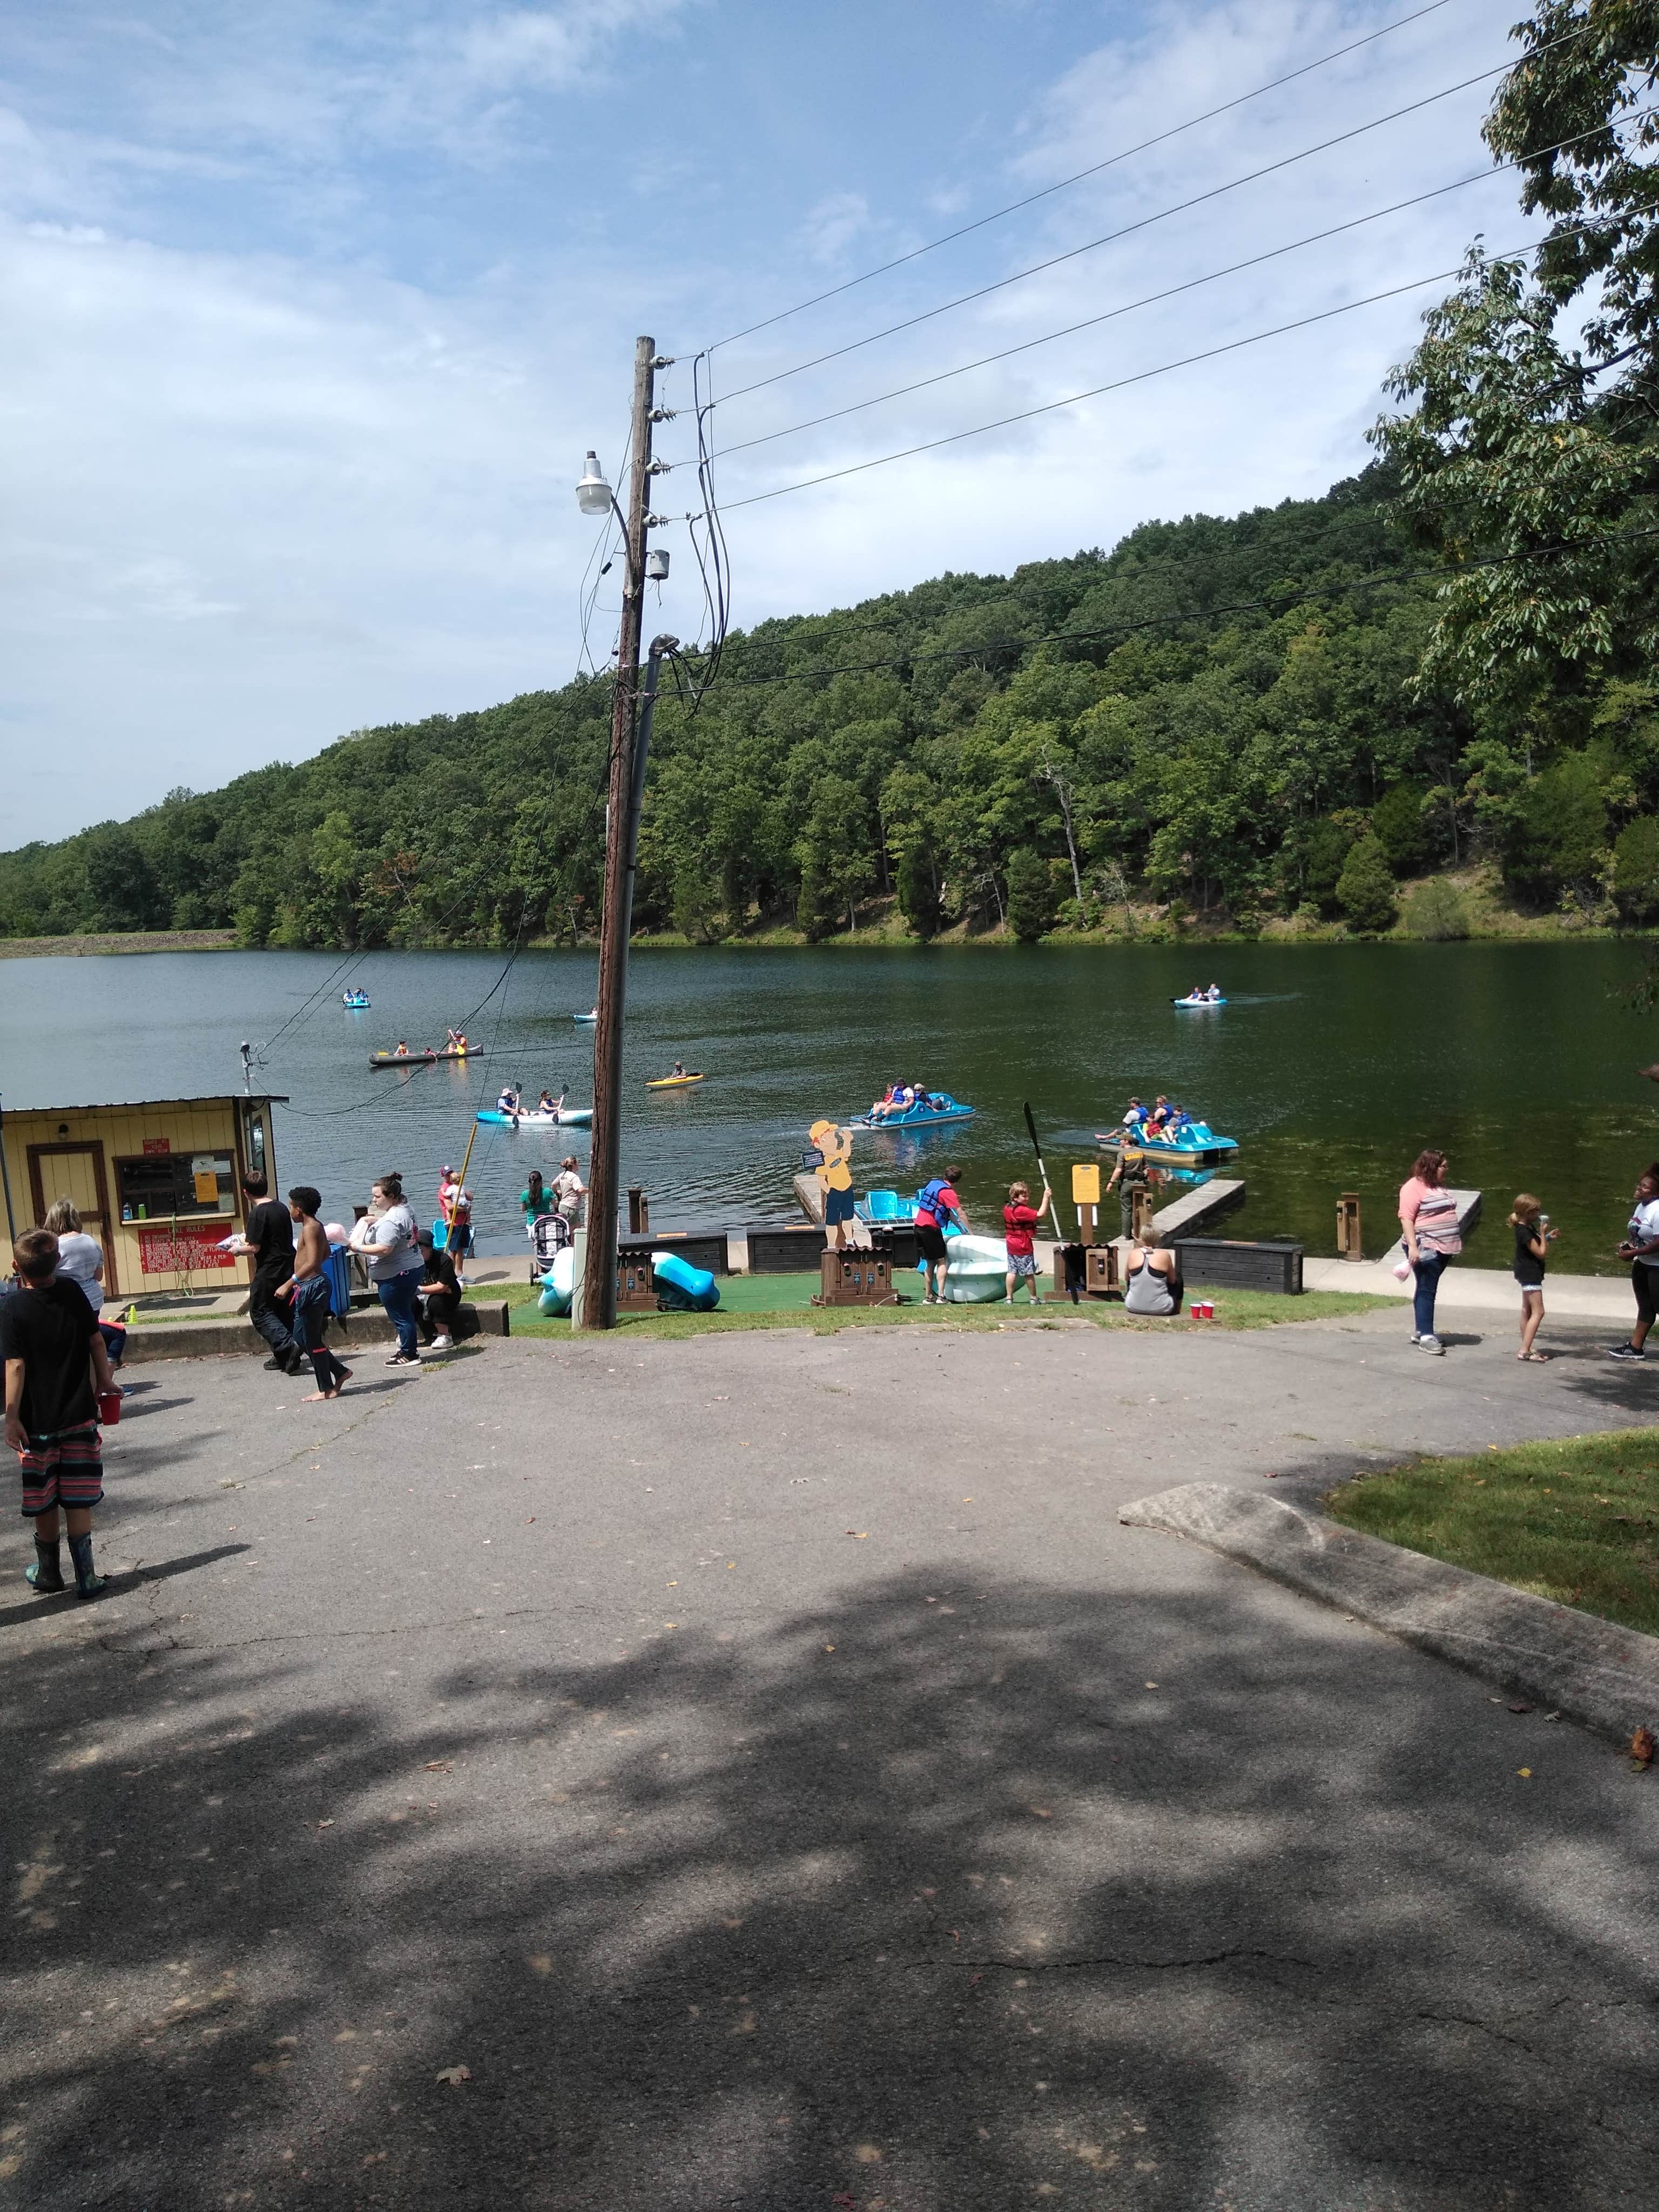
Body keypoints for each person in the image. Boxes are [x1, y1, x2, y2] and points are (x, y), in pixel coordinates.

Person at [2, 1226, 117, 1599]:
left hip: (38, 1423)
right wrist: (105, 1381)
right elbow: (96, 1339)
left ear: (16, 1267)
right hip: (80, 1413)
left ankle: (49, 1571)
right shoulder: (71, 1292)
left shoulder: (12, 1307)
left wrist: (12, 1416)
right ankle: (87, 1576)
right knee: (79, 1493)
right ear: (58, 1262)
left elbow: (15, 1366)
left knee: (44, 1494)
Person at [349, 1171, 425, 1366]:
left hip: (396, 1274)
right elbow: (399, 1229)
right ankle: (406, 1349)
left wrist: (356, 1247)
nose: (373, 1200)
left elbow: (384, 1249)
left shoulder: (392, 1220)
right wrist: (374, 1221)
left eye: (377, 1196)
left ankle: (410, 1353)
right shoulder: (405, 1209)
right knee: (404, 1310)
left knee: (400, 1314)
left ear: (391, 1197)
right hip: (413, 1266)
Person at [282, 1186, 352, 1400]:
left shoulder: (310, 1228)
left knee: (311, 1340)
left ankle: (327, 1388)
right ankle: (340, 1371)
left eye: (291, 1206)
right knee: (300, 1337)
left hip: (312, 1287)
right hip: (309, 1286)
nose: (290, 1211)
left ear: (299, 1209)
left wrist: (290, 1282)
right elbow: (327, 1253)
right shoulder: (314, 1226)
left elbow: (313, 1261)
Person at [240, 1172, 305, 1376]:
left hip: (270, 1268)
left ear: (245, 1193)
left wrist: (236, 1249)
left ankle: (287, 1345)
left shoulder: (258, 1213)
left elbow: (254, 1247)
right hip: (287, 1265)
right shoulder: (280, 1207)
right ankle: (283, 1356)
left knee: (259, 1311)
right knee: (282, 1310)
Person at [1399, 1147, 1461, 1355]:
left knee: (1426, 1287)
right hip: (1425, 1246)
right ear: (1432, 1166)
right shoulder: (1413, 1187)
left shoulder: (1435, 1185)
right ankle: (1426, 1336)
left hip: (1443, 1247)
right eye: (1444, 1166)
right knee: (1427, 1288)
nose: (1447, 1170)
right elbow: (1406, 1218)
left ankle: (1421, 1330)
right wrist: (1413, 1247)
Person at [1609, 1163, 1659, 1361]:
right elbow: (1641, 1233)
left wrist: (1635, 1252)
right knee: (1645, 1306)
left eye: (1645, 1186)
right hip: (1643, 1263)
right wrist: (1630, 1247)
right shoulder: (1642, 1206)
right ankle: (1635, 1348)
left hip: (1657, 1267)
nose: (1639, 1188)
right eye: (1640, 1184)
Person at [1509, 1193, 1557, 1361]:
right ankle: (1524, 1350)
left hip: (1524, 1271)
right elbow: (1541, 1253)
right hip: (1531, 1273)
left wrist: (1548, 1236)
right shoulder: (1524, 1231)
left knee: (1527, 1310)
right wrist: (1543, 1234)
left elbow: (1534, 1244)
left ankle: (1527, 1346)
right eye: (1536, 1211)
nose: (1539, 1214)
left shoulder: (1525, 1228)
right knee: (1539, 1311)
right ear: (1527, 1212)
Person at [914, 1163, 968, 1304]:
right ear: (957, 1181)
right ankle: (942, 1296)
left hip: (918, 1226)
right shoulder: (948, 1193)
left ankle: (929, 1297)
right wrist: (970, 1233)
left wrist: (962, 1230)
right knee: (941, 1261)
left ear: (945, 1175)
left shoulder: (933, 1184)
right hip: (931, 1229)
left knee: (930, 1262)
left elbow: (948, 1213)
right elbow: (960, 1214)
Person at [808, 1120, 857, 1250]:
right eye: (827, 1138)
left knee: (847, 1218)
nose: (832, 1140)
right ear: (818, 1144)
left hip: (847, 1188)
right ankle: (831, 1245)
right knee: (832, 1221)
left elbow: (846, 1153)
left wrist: (847, 1141)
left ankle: (850, 1240)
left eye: (832, 1136)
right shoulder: (822, 1161)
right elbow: (821, 1180)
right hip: (835, 1191)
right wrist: (830, 1191)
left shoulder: (838, 1153)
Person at [1003, 1178, 1050, 1304]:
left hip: (1011, 1244)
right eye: (1024, 1196)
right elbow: (1040, 1214)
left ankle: (1009, 1298)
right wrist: (1046, 1197)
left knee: (1012, 1270)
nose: (1027, 1198)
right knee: (1028, 1273)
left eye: (1027, 1196)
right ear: (1016, 1197)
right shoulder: (1021, 1210)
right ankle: (1034, 1298)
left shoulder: (1008, 1207)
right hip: (1022, 1245)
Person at [415, 1230, 460, 1353]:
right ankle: (406, 1336)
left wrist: (418, 1289)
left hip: (448, 1294)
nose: (418, 1253)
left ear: (429, 1249)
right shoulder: (412, 1262)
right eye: (415, 1250)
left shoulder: (444, 1261)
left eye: (421, 1250)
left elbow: (442, 1287)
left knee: (436, 1300)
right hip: (422, 1294)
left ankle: (445, 1336)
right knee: (409, 1302)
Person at [1123, 1226, 1183, 1316]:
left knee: (1131, 1278)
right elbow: (1173, 1281)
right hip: (1162, 1308)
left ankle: (1136, 1300)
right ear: (1158, 1238)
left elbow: (1126, 1278)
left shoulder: (1133, 1254)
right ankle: (1177, 1311)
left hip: (1132, 1306)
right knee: (1178, 1277)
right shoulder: (1164, 1255)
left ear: (1142, 1237)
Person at [1107, 1144, 1151, 1240]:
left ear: (1126, 1141)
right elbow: (1147, 1168)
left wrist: (1111, 1182)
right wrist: (1144, 1178)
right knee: (1142, 1208)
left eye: (1121, 1140)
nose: (1119, 1142)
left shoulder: (1122, 1153)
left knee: (1127, 1209)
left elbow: (1118, 1170)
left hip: (1127, 1183)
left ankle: (1127, 1235)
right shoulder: (1140, 1151)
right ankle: (1142, 1234)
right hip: (1140, 1183)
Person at [552, 1156, 586, 1226]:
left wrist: (556, 1192)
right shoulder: (574, 1177)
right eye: (578, 1163)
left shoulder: (562, 1175)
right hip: (571, 1208)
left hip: (563, 1206)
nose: (579, 1165)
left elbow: (553, 1185)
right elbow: (580, 1190)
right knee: (572, 1230)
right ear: (574, 1165)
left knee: (577, 1227)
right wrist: (591, 1190)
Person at [521, 1169, 548, 1233]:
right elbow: (555, 1205)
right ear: (541, 1181)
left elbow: (523, 1209)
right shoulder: (548, 1191)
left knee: (535, 1241)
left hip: (532, 1222)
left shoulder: (525, 1194)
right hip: (547, 1221)